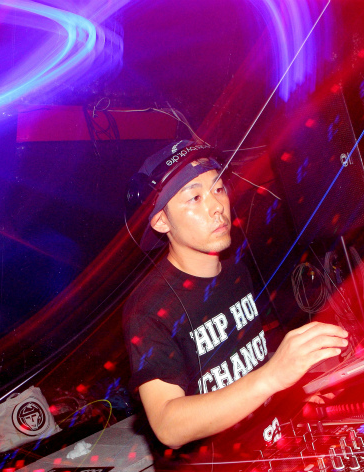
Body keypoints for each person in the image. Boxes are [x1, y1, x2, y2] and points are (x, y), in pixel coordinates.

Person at [123, 140, 348, 453]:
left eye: (218, 189)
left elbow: (247, 365)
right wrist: (273, 376)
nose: (217, 206)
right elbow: (167, 425)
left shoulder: (235, 270)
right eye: (195, 198)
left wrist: (293, 391)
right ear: (161, 221)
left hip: (275, 449)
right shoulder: (149, 309)